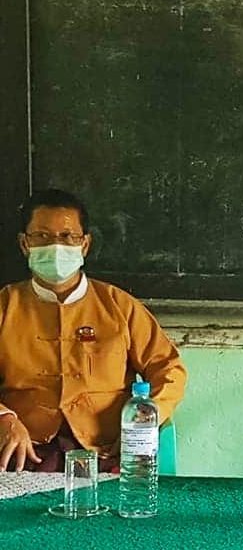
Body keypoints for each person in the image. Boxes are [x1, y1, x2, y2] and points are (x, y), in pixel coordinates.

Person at [0, 189, 187, 472]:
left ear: (85, 245)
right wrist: (4, 418)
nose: (56, 246)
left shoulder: (119, 306)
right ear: (25, 244)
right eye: (42, 236)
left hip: (106, 449)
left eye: (67, 236)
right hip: (24, 450)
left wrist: (144, 419)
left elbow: (169, 369)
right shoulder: (5, 306)